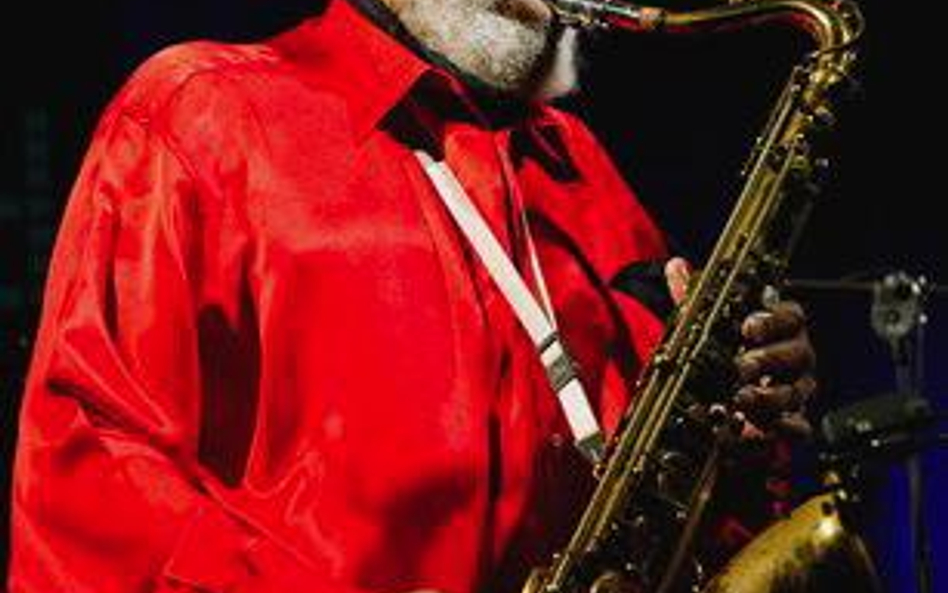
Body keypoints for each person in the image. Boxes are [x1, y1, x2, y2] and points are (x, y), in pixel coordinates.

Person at [6, 0, 817, 590]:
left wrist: (743, 436)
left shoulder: (581, 170)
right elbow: (90, 490)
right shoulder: (202, 113)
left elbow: (671, 511)